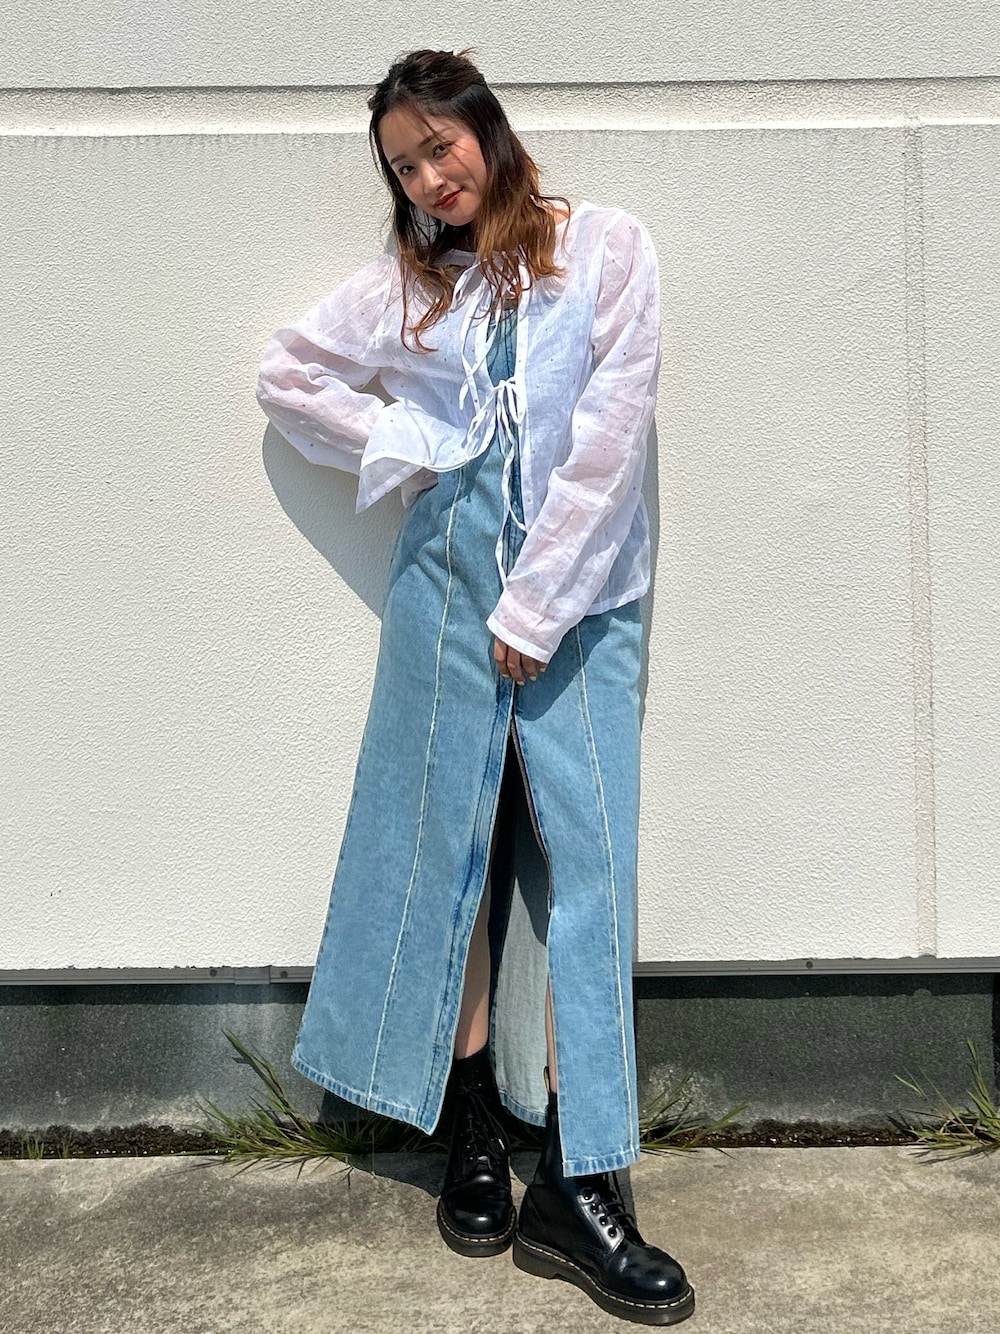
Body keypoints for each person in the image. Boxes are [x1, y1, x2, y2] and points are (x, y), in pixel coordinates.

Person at [256, 48, 695, 1327]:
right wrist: (416, 438)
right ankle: (470, 1133)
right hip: (443, 592)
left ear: (486, 132)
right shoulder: (413, 287)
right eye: (403, 167)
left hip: (579, 601)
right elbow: (288, 373)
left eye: (438, 147)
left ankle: (583, 1173)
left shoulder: (604, 247)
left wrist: (536, 604)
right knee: (445, 846)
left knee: (588, 868)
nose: (428, 179)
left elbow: (610, 437)